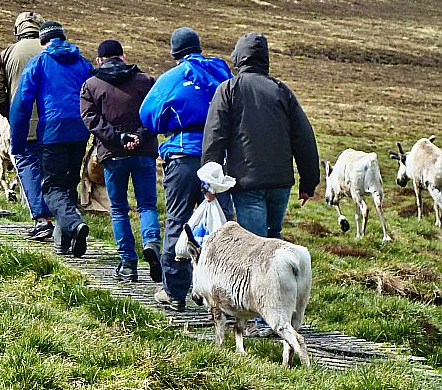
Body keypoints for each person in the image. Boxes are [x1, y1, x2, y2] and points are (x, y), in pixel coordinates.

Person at [139, 27, 233, 311]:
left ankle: (175, 291)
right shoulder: (221, 72)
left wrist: (167, 123)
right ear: (199, 47)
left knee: (178, 221)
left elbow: (147, 114)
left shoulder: (173, 77)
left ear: (175, 52)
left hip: (181, 156)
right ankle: (223, 291)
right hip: (217, 158)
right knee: (221, 225)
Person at [201, 32, 320, 239]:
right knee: (273, 237)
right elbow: (303, 138)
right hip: (280, 181)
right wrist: (309, 182)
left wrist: (209, 182)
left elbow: (215, 138)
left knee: (254, 244)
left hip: (247, 182)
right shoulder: (281, 90)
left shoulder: (229, 89)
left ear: (238, 57)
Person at [79, 39, 161, 283]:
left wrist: (118, 138)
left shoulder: (91, 85)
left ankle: (128, 264)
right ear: (123, 57)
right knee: (147, 205)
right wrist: (140, 136)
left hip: (113, 154)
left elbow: (90, 118)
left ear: (99, 60)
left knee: (118, 209)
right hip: (144, 151)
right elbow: (156, 113)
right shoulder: (145, 81)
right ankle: (151, 243)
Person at [10, 21, 93, 257]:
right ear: (63, 38)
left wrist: (18, 142)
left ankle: (75, 224)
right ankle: (63, 242)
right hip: (80, 130)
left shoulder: (39, 63)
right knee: (69, 183)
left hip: (53, 131)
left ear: (43, 41)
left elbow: (21, 105)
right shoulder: (82, 63)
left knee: (52, 187)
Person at [0, 11, 54, 240]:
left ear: (18, 30)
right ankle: (65, 220)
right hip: (56, 124)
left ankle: (42, 220)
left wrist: (10, 113)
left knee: (28, 166)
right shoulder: (53, 50)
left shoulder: (7, 54)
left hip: (25, 124)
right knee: (53, 169)